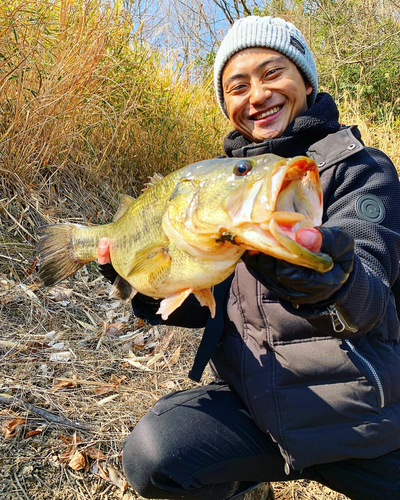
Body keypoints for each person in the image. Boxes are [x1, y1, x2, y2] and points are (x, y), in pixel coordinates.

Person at [97, 16, 400, 500]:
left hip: (363, 421)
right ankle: (249, 486)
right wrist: (140, 279)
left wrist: (324, 272)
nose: (257, 95)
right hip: (256, 410)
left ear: (306, 80)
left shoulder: (361, 169)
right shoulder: (219, 190)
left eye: (273, 73)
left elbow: (368, 295)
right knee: (156, 457)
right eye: (238, 86)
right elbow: (206, 307)